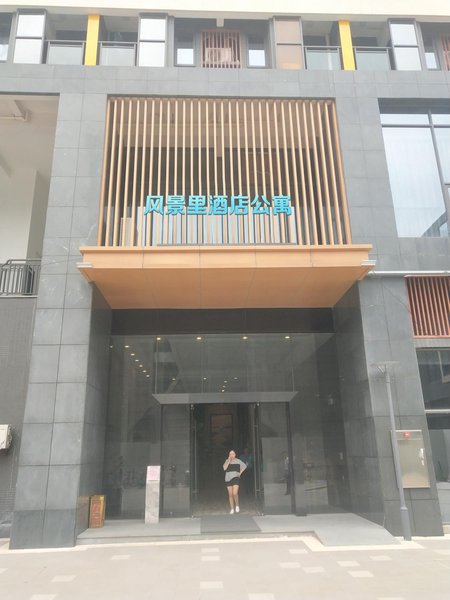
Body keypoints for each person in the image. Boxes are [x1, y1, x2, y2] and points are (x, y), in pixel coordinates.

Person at [223, 449, 247, 514]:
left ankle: (237, 505)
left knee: (235, 493)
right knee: (230, 494)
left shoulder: (238, 461)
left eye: (233, 454)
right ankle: (232, 509)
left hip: (236, 478)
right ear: (229, 455)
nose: (231, 455)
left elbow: (244, 466)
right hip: (228, 478)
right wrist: (228, 460)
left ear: (235, 455)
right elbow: (224, 468)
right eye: (230, 454)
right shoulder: (227, 461)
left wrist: (240, 473)